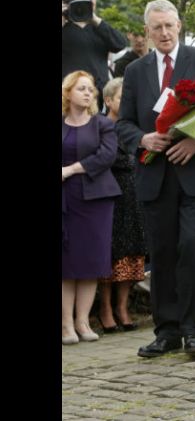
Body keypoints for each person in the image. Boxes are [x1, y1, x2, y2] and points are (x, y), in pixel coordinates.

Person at [117, 0, 195, 358]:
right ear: (146, 32)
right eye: (156, 28)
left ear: (179, 26)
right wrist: (142, 139)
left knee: (192, 245)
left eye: (169, 26)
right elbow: (123, 123)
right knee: (162, 254)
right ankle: (166, 332)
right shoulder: (135, 71)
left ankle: (194, 330)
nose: (164, 33)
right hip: (155, 175)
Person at [62, 71, 122, 345]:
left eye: (91, 90)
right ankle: (66, 326)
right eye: (81, 88)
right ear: (68, 93)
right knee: (66, 263)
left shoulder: (102, 125)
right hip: (66, 200)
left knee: (90, 261)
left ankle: (83, 322)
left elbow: (107, 155)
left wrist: (71, 169)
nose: (88, 93)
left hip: (96, 200)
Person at [98, 78, 147, 333]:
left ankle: (122, 307)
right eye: (121, 98)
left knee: (131, 251)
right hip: (109, 192)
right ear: (108, 101)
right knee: (110, 252)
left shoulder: (133, 126)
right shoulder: (99, 125)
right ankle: (105, 309)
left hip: (133, 191)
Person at [62, 0, 128, 110]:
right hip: (68, 95)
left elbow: (120, 44)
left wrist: (94, 18)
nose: (87, 0)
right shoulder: (65, 27)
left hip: (97, 95)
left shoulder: (100, 27)